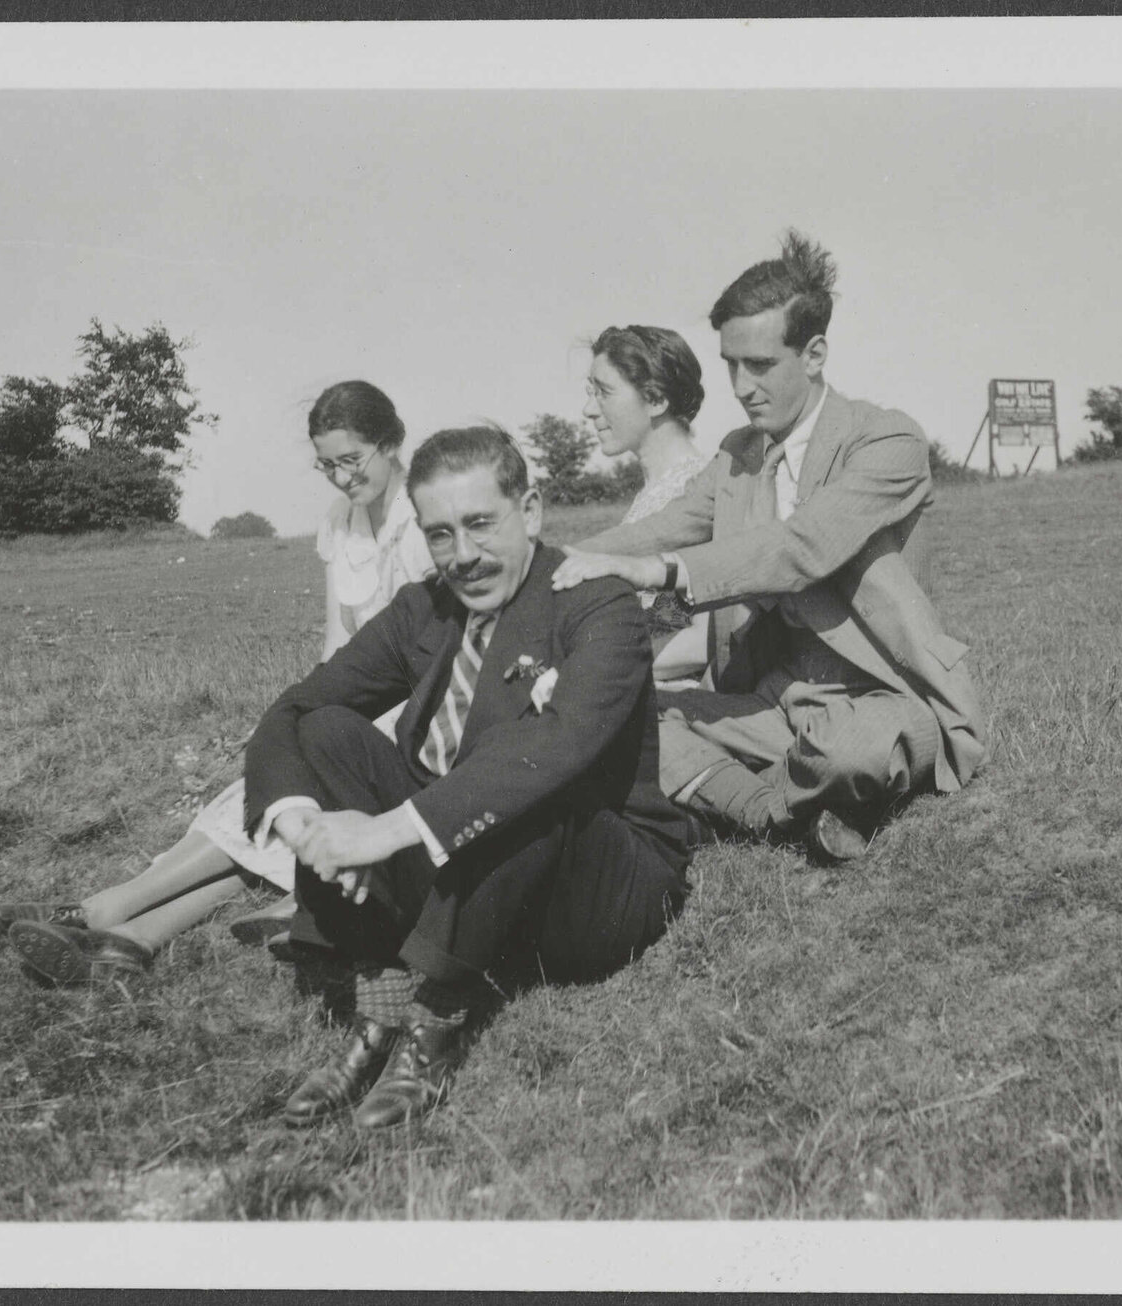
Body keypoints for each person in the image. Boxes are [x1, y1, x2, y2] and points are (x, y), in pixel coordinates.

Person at [245, 425, 690, 1130]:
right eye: (441, 533)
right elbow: (298, 706)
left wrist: (384, 833)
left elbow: (563, 742)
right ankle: (382, 1003)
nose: (463, 556)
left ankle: (436, 1017)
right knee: (328, 732)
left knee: (522, 764)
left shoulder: (594, 602)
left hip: (595, 881)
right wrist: (309, 826)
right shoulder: (423, 608)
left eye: (481, 524)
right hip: (472, 871)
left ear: (533, 511)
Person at [552, 231, 987, 863]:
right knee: (640, 722)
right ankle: (781, 816)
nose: (741, 385)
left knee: (851, 751)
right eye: (730, 363)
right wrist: (544, 565)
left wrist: (657, 572)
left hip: (879, 691)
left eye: (760, 365)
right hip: (773, 695)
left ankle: (753, 799)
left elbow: (801, 548)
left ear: (814, 354)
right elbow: (662, 526)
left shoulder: (886, 442)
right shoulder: (736, 455)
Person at [0, 381, 436, 984]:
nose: (339, 478)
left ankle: (111, 911)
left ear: (390, 443)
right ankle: (128, 936)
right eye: (326, 465)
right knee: (259, 809)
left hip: (409, 721)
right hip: (353, 703)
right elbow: (336, 645)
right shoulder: (341, 522)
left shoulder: (425, 522)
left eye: (351, 461)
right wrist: (293, 717)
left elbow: (434, 658)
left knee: (277, 809)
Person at [580, 324, 713, 686]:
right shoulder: (651, 494)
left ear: (655, 400)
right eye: (589, 392)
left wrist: (588, 671)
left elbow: (705, 637)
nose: (588, 409)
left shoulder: (702, 490)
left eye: (603, 392)